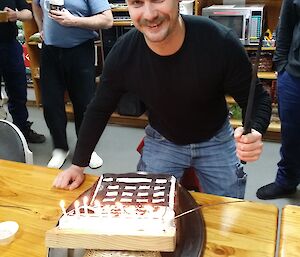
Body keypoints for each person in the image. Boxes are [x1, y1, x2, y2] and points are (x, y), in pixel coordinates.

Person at [53, 0, 272, 198]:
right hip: (163, 139)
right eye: (137, 3)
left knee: (228, 211)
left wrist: (255, 130)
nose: (149, 14)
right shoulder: (123, 54)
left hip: (217, 139)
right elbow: (99, 109)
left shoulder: (219, 42)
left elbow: (257, 99)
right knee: (149, 211)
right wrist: (78, 165)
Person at [31, 0, 113, 169]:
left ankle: (86, 150)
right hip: (50, 51)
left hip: (80, 50)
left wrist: (73, 21)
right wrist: (41, 27)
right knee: (51, 103)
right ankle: (60, 148)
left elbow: (107, 20)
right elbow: (36, 4)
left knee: (84, 103)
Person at [256, 0, 300, 200]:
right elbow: (286, 27)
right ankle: (286, 182)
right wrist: (281, 68)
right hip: (293, 76)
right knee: (291, 135)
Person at [0, 0, 45, 143]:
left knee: (18, 90)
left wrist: (16, 14)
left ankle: (22, 129)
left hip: (9, 45)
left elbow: (28, 13)